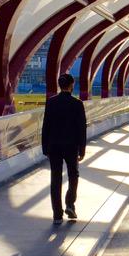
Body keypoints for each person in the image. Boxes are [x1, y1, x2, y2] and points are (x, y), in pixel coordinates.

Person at [41, 73, 88, 226]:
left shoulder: (51, 102)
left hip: (54, 146)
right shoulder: (77, 104)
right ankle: (70, 204)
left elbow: (46, 126)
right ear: (71, 85)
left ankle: (57, 215)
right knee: (73, 175)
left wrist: (45, 148)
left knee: (55, 178)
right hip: (71, 146)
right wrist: (82, 149)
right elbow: (82, 128)